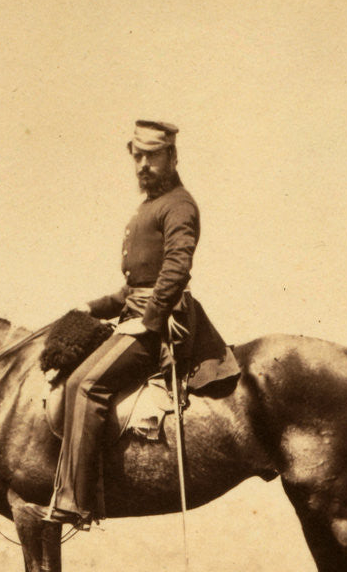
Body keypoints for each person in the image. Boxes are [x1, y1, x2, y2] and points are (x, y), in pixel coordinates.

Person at [39, 119, 238, 528]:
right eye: (137, 156)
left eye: (152, 155)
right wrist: (90, 308)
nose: (143, 165)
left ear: (172, 157)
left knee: (87, 384)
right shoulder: (145, 209)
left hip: (164, 326)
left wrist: (148, 323)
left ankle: (76, 500)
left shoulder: (179, 204)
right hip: (139, 316)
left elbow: (176, 271)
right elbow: (132, 288)